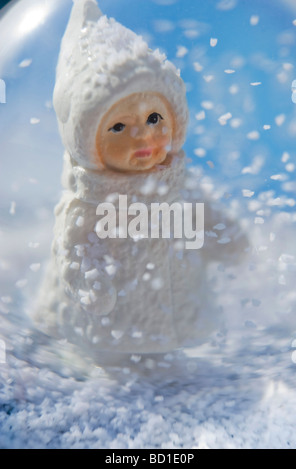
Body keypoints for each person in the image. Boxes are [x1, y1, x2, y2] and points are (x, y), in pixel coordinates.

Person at [34, 0, 248, 360]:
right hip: (115, 328)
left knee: (186, 357)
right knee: (113, 360)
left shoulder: (179, 182)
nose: (145, 138)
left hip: (184, 316)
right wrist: (92, 283)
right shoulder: (89, 205)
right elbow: (74, 249)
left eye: (153, 118)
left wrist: (225, 236)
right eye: (118, 127)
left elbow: (202, 213)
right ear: (89, 145)